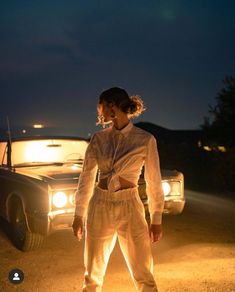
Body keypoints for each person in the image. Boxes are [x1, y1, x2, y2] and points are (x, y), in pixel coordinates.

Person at [72, 87, 164, 291]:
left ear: (112, 105)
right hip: (100, 205)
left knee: (143, 271)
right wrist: (79, 214)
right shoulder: (98, 139)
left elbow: (153, 181)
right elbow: (86, 177)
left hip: (130, 206)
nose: (100, 112)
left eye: (102, 106)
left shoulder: (145, 140)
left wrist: (156, 219)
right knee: (92, 273)